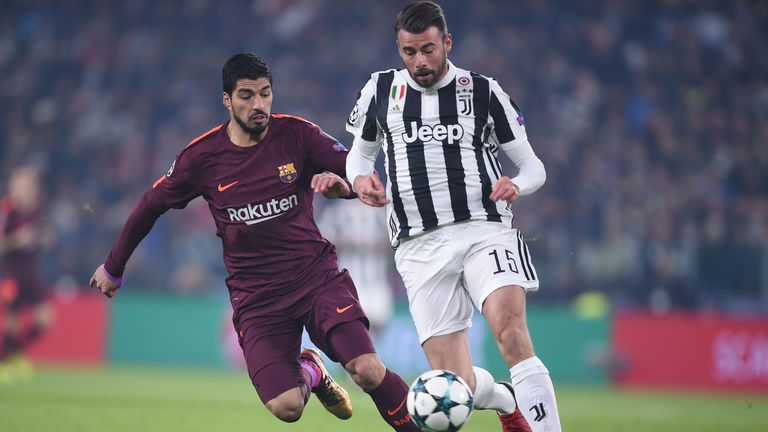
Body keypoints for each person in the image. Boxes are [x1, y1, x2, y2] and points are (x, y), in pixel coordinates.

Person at [89, 53, 420, 431]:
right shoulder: (202, 157)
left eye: (265, 93)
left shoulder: (298, 134)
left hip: (315, 279)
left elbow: (350, 168)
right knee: (286, 406)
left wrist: (347, 188)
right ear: (227, 100)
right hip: (257, 297)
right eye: (247, 95)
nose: (258, 104)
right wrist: (114, 266)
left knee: (367, 370)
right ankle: (311, 371)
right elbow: (151, 204)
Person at [345, 2, 563, 431]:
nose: (419, 62)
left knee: (511, 332)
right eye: (409, 52)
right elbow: (359, 156)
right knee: (455, 385)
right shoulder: (380, 90)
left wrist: (518, 184)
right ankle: (505, 398)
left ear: (447, 42)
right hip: (418, 246)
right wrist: (360, 180)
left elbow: (534, 166)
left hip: (485, 230)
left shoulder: (482, 91)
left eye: (428, 49)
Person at [0, 166, 55, 383]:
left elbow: (42, 235)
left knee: (45, 320)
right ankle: (4, 362)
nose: (26, 188)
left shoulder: (36, 210)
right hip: (10, 272)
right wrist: (16, 240)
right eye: (22, 184)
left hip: (32, 272)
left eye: (29, 185)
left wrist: (45, 239)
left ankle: (16, 353)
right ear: (13, 186)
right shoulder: (5, 210)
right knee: (11, 322)